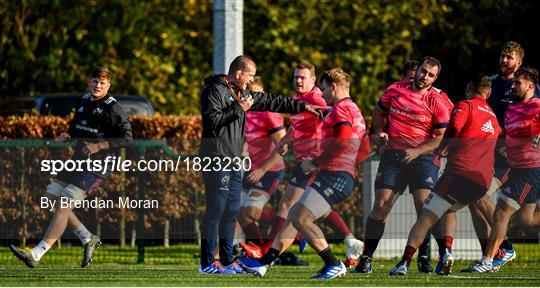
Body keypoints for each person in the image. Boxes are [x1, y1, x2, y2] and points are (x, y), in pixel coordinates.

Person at [198, 55, 321, 274]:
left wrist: (302, 107)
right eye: (250, 76)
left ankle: (226, 261)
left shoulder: (242, 92)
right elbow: (211, 121)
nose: (251, 81)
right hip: (216, 157)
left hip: (235, 160)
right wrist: (239, 109)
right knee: (216, 209)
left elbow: (272, 101)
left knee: (232, 211)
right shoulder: (214, 90)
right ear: (239, 74)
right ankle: (207, 263)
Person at [238, 68, 366, 279]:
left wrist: (318, 161)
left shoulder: (339, 109)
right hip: (331, 172)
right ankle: (264, 263)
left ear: (332, 87)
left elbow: (343, 141)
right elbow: (364, 145)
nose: (322, 94)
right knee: (295, 215)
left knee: (298, 216)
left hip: (330, 172)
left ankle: (334, 263)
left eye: (324, 89)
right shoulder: (353, 109)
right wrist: (350, 164)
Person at [10, 67, 133, 268]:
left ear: (108, 85)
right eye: (95, 81)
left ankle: (36, 254)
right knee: (50, 199)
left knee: (63, 204)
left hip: (97, 166)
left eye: (102, 82)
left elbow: (127, 138)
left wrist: (99, 146)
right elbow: (77, 126)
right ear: (89, 82)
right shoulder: (83, 100)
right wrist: (68, 134)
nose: (98, 85)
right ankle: (87, 238)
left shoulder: (114, 108)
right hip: (77, 160)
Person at [388, 74, 501, 276]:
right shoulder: (493, 116)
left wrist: (444, 147)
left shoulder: (465, 105)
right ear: (488, 93)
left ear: (469, 87)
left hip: (459, 174)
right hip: (482, 180)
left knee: (426, 217)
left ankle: (403, 263)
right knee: (450, 210)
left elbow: (455, 127)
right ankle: (464, 252)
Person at [355, 56, 450, 274]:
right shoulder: (395, 90)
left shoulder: (437, 101)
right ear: (417, 71)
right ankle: (366, 259)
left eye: (430, 75)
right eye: (423, 71)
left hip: (423, 158)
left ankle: (434, 256)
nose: (424, 77)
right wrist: (380, 131)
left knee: (425, 207)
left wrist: (417, 151)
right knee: (381, 204)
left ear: (435, 79)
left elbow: (441, 137)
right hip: (393, 157)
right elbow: (379, 112)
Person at [462, 41, 529, 272]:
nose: (504, 60)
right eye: (502, 55)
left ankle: (504, 248)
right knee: (472, 200)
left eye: (509, 58)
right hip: (485, 152)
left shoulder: (525, 87)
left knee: (479, 192)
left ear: (519, 62)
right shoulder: (488, 83)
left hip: (511, 158)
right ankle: (490, 254)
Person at [470, 67, 540, 273]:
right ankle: (493, 255)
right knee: (525, 219)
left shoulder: (537, 106)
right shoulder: (511, 109)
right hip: (511, 166)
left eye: (517, 83)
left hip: (529, 170)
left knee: (502, 211)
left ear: (530, 86)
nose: (512, 86)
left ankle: (487, 261)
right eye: (512, 82)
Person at [238, 77, 287, 249]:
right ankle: (259, 250)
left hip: (270, 170)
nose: (254, 97)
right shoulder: (245, 113)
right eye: (250, 94)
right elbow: (248, 142)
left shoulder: (269, 114)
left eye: (258, 94)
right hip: (252, 170)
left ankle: (293, 226)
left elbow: (283, 146)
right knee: (238, 212)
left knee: (251, 211)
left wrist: (262, 169)